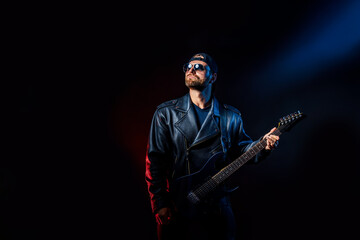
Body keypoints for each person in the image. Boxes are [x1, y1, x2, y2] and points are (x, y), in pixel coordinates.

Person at [145, 53, 279, 240]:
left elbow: (242, 150)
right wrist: (159, 203)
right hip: (178, 204)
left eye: (199, 67)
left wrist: (263, 145)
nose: (191, 69)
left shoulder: (231, 116)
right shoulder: (165, 114)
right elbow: (155, 162)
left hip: (216, 206)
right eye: (188, 66)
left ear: (213, 76)